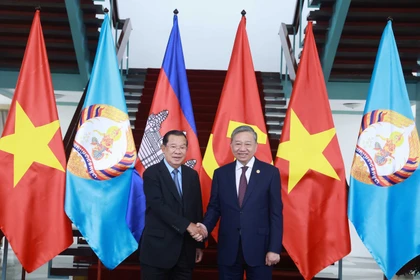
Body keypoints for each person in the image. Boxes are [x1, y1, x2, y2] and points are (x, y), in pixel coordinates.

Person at [197, 125, 283, 280]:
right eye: (238, 143)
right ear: (231, 146)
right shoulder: (221, 174)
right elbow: (215, 207)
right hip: (229, 247)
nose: (242, 148)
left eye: (248, 144)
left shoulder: (270, 173)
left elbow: (276, 213)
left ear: (256, 146)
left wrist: (274, 248)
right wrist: (204, 227)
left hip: (260, 249)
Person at [139, 130, 204, 280]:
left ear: (187, 150)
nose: (177, 151)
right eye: (173, 147)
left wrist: (199, 244)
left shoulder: (192, 175)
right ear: (163, 149)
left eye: (182, 147)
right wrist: (188, 225)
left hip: (185, 251)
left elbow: (196, 208)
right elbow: (158, 206)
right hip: (157, 250)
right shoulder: (152, 173)